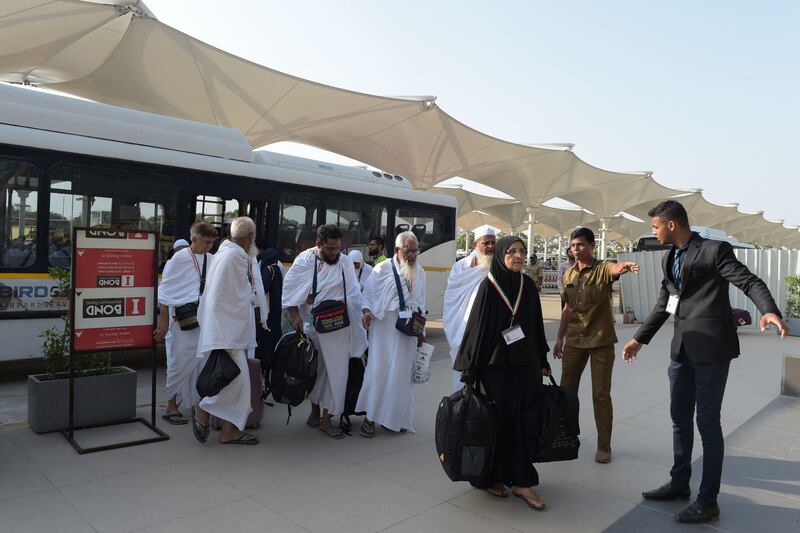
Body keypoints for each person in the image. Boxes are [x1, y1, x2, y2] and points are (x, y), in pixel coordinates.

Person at [621, 200, 788, 524]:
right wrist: (640, 338)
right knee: (679, 418)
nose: (653, 232)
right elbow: (666, 304)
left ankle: (708, 500)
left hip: (712, 350)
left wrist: (769, 310)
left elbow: (749, 281)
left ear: (671, 224)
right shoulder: (669, 257)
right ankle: (680, 483)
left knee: (707, 424)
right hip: (682, 349)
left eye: (655, 226)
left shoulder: (713, 250)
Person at [454, 236, 551, 510]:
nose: (518, 256)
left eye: (522, 251)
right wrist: (470, 370)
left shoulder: (528, 286)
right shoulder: (488, 287)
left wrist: (542, 357)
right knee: (496, 424)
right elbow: (477, 330)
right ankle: (490, 476)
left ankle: (521, 480)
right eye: (512, 252)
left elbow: (536, 326)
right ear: (500, 255)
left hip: (526, 367)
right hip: (495, 370)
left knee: (526, 422)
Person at [553, 227, 639, 464]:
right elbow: (567, 309)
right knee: (566, 392)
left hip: (600, 341)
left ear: (591, 246)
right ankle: (565, 436)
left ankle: (604, 446)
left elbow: (614, 270)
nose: (575, 249)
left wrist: (624, 266)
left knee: (600, 394)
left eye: (580, 244)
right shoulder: (568, 274)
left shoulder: (601, 268)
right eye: (572, 245)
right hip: (574, 341)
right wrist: (560, 338)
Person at [282, 225, 367, 439]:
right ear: (318, 244)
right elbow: (290, 291)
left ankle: (327, 421)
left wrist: (361, 318)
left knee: (336, 374)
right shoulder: (305, 260)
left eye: (337, 248)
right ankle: (315, 413)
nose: (334, 253)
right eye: (330, 248)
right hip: (313, 326)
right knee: (316, 371)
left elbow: (354, 294)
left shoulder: (345, 262)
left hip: (339, 326)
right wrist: (296, 316)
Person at [192, 217, 262, 445]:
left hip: (225, 329)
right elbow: (233, 297)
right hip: (228, 331)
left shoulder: (227, 254)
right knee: (239, 381)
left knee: (237, 383)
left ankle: (227, 430)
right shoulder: (234, 257)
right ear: (250, 237)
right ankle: (204, 410)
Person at [357, 231, 426, 437]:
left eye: (415, 251)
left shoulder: (420, 271)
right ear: (397, 250)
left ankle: (394, 418)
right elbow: (367, 297)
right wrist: (367, 312)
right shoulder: (382, 269)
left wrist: (420, 332)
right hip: (385, 328)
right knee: (380, 370)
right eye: (408, 251)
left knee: (401, 374)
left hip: (407, 331)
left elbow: (421, 303)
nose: (413, 255)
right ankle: (370, 417)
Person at [154, 223, 217, 425]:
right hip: (180, 322)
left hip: (203, 321)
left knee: (201, 364)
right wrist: (163, 321)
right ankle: (171, 405)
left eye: (211, 243)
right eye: (206, 242)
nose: (208, 246)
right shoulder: (178, 259)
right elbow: (164, 292)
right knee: (178, 362)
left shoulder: (211, 259)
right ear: (194, 239)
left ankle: (198, 405)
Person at [443, 227, 496, 391]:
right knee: (463, 371)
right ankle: (462, 408)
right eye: (485, 243)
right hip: (463, 327)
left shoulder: (499, 266)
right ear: (476, 244)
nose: (490, 246)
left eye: (493, 242)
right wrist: (471, 270)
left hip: (489, 327)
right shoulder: (460, 267)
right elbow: (452, 296)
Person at [256, 248, 284, 360]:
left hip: (269, 307)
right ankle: (276, 353)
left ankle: (267, 356)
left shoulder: (267, 270)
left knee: (268, 331)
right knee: (276, 330)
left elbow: (262, 289)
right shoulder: (277, 268)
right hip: (277, 305)